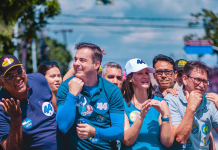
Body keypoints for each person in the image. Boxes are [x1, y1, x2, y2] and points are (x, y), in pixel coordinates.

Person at [56, 42, 124, 149]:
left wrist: (95, 132)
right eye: (75, 59)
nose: (76, 63)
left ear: (96, 65)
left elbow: (119, 131)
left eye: (82, 60)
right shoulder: (66, 87)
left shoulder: (112, 90)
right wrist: (72, 94)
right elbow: (63, 126)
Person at [0, 54, 65, 150]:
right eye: (10, 76)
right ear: (2, 83)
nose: (18, 78)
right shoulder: (2, 107)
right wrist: (16, 119)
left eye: (19, 71)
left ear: (24, 70)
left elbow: (55, 107)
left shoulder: (39, 79)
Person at [121, 58, 174, 149]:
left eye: (146, 73)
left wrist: (164, 115)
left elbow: (168, 142)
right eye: (140, 73)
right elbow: (127, 140)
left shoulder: (161, 103)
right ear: (130, 78)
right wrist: (141, 116)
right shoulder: (122, 104)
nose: (145, 76)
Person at [165, 61, 218, 149]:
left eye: (205, 81)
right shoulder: (171, 100)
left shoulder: (210, 102)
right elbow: (180, 139)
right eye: (197, 80)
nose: (201, 85)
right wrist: (191, 107)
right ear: (185, 79)